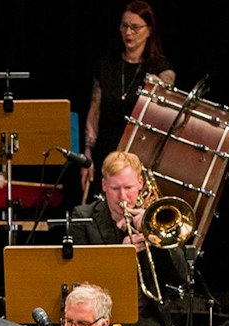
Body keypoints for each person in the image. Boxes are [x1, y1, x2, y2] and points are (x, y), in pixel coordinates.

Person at [64, 152, 183, 326]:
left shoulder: (153, 220)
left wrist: (154, 237)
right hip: (96, 319)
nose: (123, 197)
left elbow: (181, 275)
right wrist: (121, 252)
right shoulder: (83, 217)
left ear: (140, 184)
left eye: (129, 187)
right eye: (115, 188)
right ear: (104, 186)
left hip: (143, 317)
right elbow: (79, 276)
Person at [82, 3, 175, 199]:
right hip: (107, 151)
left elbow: (165, 121)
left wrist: (159, 90)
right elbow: (95, 111)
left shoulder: (161, 70)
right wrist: (88, 155)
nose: (128, 32)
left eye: (135, 27)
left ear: (149, 30)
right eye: (124, 26)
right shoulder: (106, 65)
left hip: (141, 155)